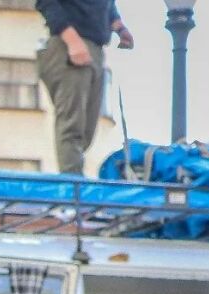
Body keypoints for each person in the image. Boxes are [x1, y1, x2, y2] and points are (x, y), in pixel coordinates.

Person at [36, 0, 134, 175]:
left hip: (95, 48)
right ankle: (72, 188)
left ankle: (75, 182)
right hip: (68, 45)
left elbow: (106, 5)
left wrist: (119, 27)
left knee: (86, 132)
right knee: (72, 126)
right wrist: (72, 40)